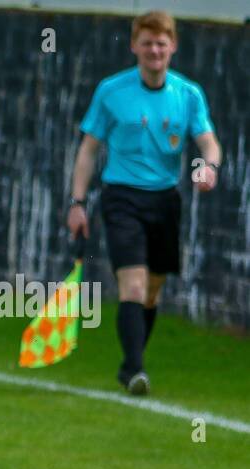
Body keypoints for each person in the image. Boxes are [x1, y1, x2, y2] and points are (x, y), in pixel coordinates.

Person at [67, 8, 221, 396]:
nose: (155, 50)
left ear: (173, 47)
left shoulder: (188, 95)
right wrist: (77, 202)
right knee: (132, 287)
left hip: (165, 201)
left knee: (152, 291)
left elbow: (208, 143)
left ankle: (129, 363)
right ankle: (136, 369)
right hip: (121, 198)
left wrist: (208, 168)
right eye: (147, 43)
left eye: (161, 43)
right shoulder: (111, 91)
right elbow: (88, 150)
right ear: (135, 46)